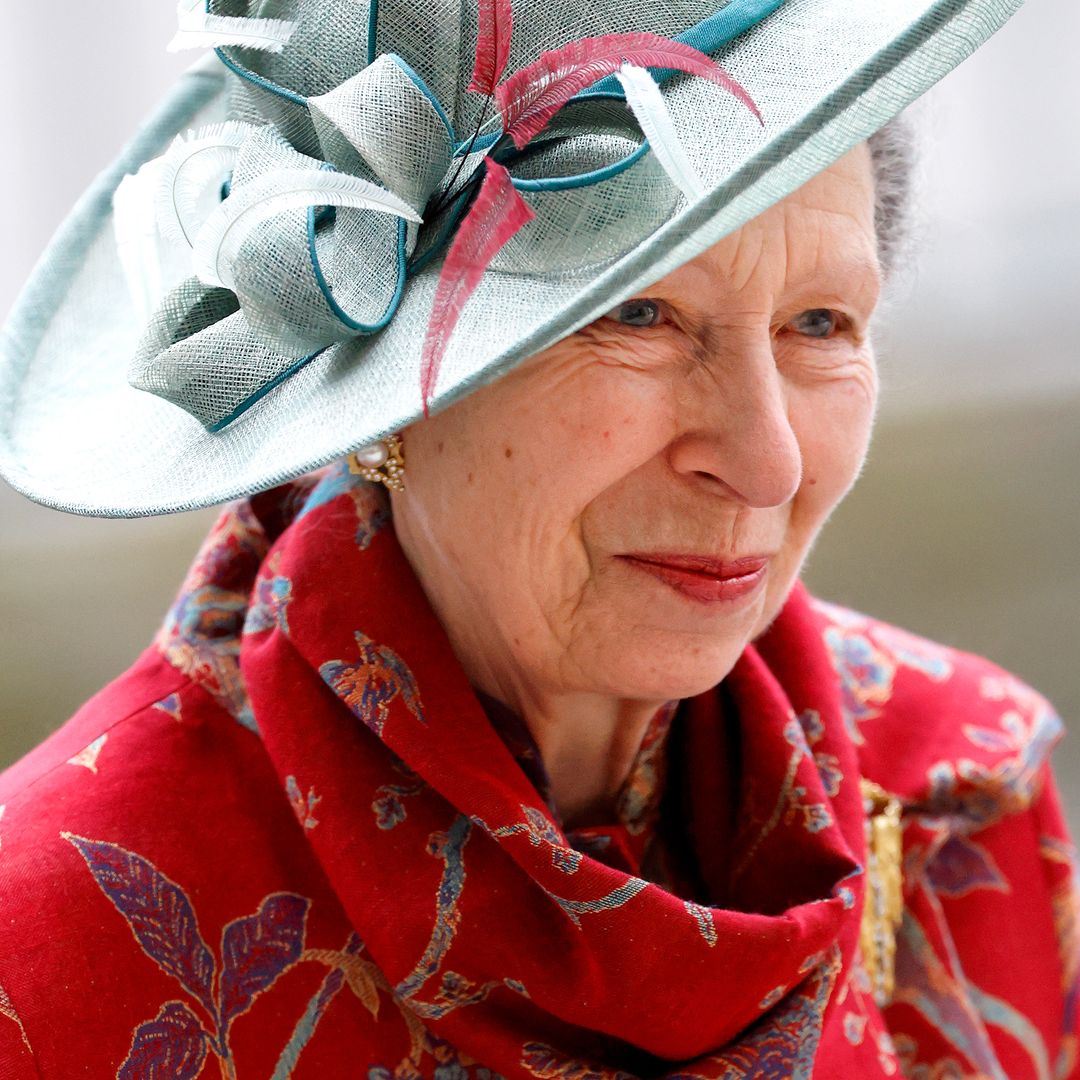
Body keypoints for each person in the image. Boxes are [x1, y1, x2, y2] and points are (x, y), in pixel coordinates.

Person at [0, 0, 1075, 1077]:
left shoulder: (956, 793)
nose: (767, 461)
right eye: (638, 315)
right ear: (387, 398)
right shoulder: (53, 946)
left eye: (820, 324)